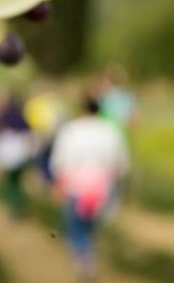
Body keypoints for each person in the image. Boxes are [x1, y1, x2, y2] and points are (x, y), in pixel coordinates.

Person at [50, 96, 130, 281]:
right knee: (93, 224)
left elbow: (59, 160)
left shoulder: (70, 130)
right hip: (102, 185)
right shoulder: (110, 131)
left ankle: (82, 257)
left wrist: (58, 182)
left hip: (75, 186)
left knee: (76, 223)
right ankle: (88, 253)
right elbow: (120, 161)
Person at [0, 96, 32, 219]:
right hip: (19, 155)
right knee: (17, 183)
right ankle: (16, 207)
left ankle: (13, 208)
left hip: (8, 156)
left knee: (10, 184)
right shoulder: (22, 117)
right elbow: (28, 134)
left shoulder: (3, 117)